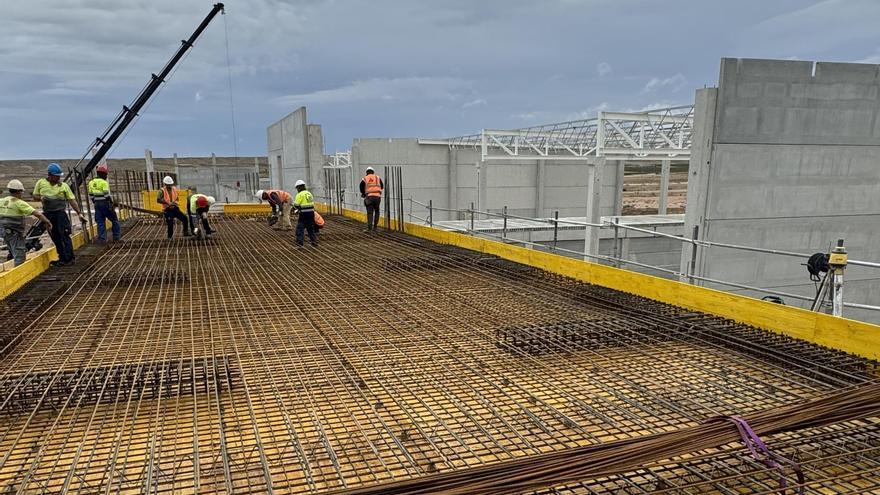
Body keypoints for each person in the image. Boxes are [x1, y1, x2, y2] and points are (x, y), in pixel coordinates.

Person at [33, 163, 86, 266]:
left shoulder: (64, 186)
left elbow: (72, 200)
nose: (58, 178)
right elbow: (35, 196)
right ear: (50, 175)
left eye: (59, 176)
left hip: (60, 214)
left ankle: (69, 259)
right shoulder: (41, 183)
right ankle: (62, 259)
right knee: (56, 237)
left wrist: (79, 213)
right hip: (48, 214)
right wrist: (41, 198)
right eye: (56, 176)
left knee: (65, 235)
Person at [1, 180, 52, 266]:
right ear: (19, 191)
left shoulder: (1, 201)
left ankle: (12, 264)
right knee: (19, 255)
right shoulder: (19, 203)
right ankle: (18, 271)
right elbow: (37, 214)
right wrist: (47, 221)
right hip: (14, 233)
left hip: (3, 232)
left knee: (12, 250)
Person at [87, 164, 121, 242]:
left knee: (100, 222)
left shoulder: (91, 182)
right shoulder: (104, 182)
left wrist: (95, 201)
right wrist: (111, 203)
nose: (106, 176)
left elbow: (91, 194)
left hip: (97, 204)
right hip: (105, 203)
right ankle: (116, 237)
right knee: (114, 219)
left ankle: (102, 239)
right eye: (105, 174)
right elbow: (106, 195)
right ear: (102, 174)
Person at [292, 179, 318, 248]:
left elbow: (296, 205)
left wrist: (294, 209)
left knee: (300, 229)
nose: (297, 189)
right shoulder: (309, 193)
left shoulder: (299, 195)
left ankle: (299, 244)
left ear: (299, 187)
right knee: (310, 228)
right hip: (311, 213)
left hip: (303, 214)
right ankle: (314, 241)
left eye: (297, 188)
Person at [359, 166, 384, 232]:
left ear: (367, 172)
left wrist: (363, 193)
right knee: (377, 211)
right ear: (373, 172)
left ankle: (369, 228)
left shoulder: (365, 178)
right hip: (377, 197)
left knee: (370, 213)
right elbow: (382, 186)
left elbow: (361, 186)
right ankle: (375, 228)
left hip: (369, 197)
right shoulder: (377, 177)